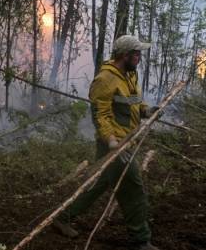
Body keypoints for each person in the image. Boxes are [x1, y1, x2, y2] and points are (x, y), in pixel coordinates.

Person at [53, 35, 160, 250]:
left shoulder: (130, 74)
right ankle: (141, 240)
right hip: (114, 144)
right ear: (124, 55)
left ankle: (63, 216)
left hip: (125, 141)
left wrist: (147, 111)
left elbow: (134, 102)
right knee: (133, 188)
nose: (139, 57)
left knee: (99, 183)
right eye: (136, 53)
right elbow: (100, 115)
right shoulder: (105, 79)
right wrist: (112, 142)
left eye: (140, 53)